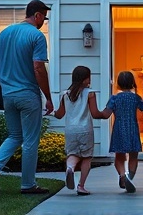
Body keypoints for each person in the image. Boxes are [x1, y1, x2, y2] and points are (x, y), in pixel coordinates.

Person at [0, 0, 54, 196]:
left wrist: (0, 82)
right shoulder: (37, 36)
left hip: (8, 95)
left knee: (15, 135)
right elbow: (38, 67)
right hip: (28, 95)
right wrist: (48, 96)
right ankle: (28, 184)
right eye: (43, 18)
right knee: (30, 140)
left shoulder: (5, 33)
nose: (43, 22)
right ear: (37, 15)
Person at [54, 65, 104, 196]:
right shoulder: (90, 93)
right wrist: (106, 113)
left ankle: (70, 168)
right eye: (88, 77)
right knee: (86, 157)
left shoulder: (65, 94)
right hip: (85, 130)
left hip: (70, 130)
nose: (90, 80)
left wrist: (51, 112)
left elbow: (59, 114)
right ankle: (81, 186)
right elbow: (95, 113)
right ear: (85, 79)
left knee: (72, 154)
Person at [99, 71, 143, 194]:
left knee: (119, 157)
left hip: (119, 128)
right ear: (132, 83)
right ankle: (129, 177)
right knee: (133, 155)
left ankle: (122, 175)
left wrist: (95, 113)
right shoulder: (135, 97)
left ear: (118, 84)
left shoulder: (114, 98)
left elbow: (106, 114)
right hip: (132, 127)